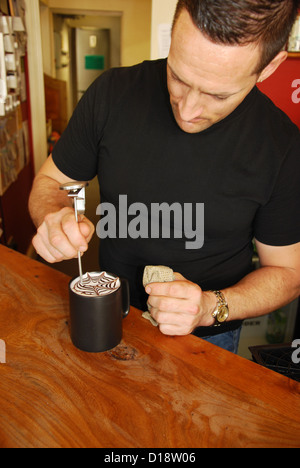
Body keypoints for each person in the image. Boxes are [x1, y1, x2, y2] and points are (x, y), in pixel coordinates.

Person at [29, 0, 300, 354]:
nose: (187, 111)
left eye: (218, 95)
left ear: (270, 66)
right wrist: (53, 214)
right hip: (110, 315)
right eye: (178, 76)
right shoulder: (111, 93)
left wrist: (208, 307)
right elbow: (51, 183)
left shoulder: (282, 146)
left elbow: (287, 274)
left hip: (210, 338)